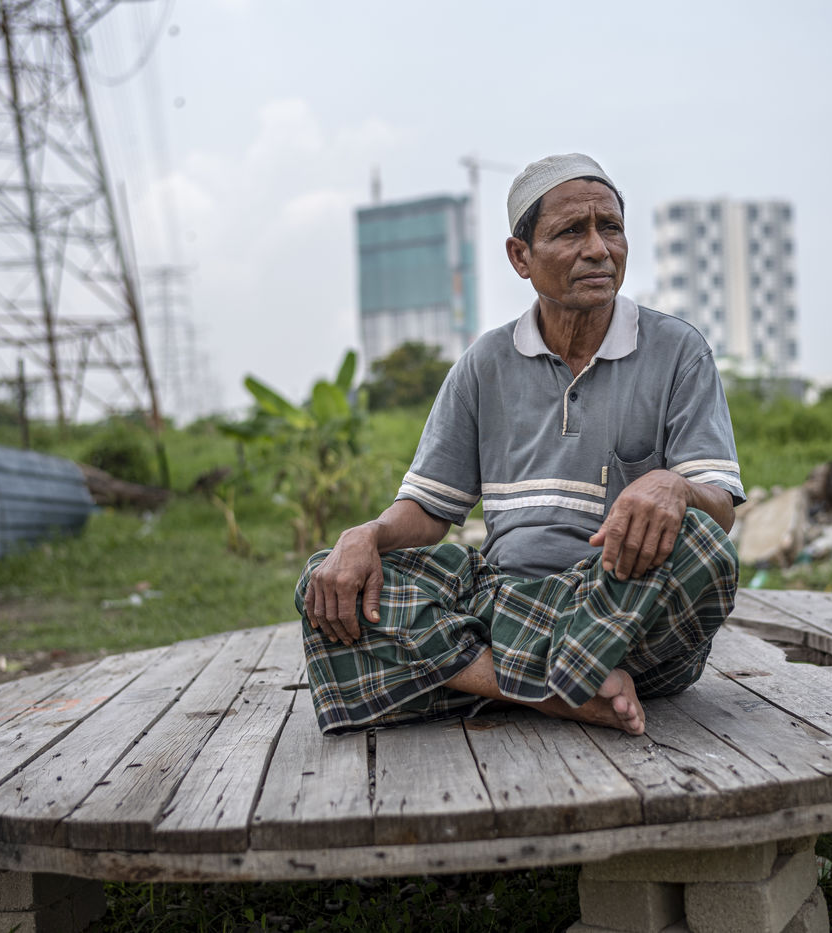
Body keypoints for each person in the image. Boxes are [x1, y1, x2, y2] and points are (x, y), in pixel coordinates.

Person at [297, 153, 742, 736]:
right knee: (327, 577)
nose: (598, 249)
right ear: (520, 257)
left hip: (618, 603)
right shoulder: (485, 362)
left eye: (610, 227)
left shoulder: (678, 351)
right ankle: (562, 693)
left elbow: (720, 507)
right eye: (571, 231)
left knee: (704, 548)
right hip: (504, 594)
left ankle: (487, 675)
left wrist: (673, 486)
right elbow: (429, 510)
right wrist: (366, 535)